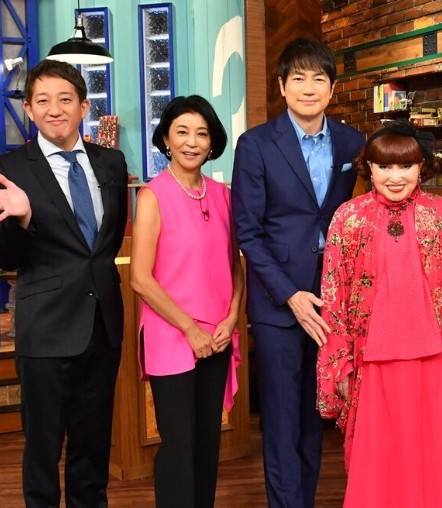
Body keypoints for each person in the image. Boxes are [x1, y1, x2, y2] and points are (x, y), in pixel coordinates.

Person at [0, 59, 128, 508]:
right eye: (42, 100)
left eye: (65, 99)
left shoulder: (111, 162)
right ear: (28, 109)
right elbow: (5, 258)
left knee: (92, 452)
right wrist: (23, 219)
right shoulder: (9, 168)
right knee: (43, 453)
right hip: (45, 331)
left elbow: (105, 245)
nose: (54, 109)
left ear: (84, 106)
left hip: (102, 326)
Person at [316, 121, 442, 507]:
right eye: (384, 166)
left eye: (405, 166)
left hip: (433, 358)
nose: (395, 177)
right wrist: (339, 359)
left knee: (430, 458)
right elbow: (333, 294)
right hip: (371, 359)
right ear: (369, 168)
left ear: (422, 167)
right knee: (375, 463)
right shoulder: (349, 217)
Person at [231, 37, 364, 508]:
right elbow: (248, 233)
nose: (309, 88)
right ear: (282, 86)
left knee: (317, 414)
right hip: (280, 305)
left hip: (332, 299)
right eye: (299, 79)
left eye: (319, 79)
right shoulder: (256, 144)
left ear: (332, 88)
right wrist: (290, 295)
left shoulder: (352, 142)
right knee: (283, 418)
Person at [130, 95, 243, 508]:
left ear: (212, 142)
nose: (192, 142)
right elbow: (140, 278)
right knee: (179, 444)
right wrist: (190, 328)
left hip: (217, 335)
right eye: (182, 132)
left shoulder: (224, 195)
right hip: (172, 335)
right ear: (166, 139)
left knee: (207, 442)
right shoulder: (152, 196)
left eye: (201, 133)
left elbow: (235, 267)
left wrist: (231, 318)